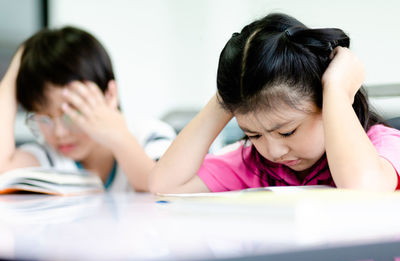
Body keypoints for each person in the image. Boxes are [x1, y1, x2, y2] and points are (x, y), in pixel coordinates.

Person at [149, 13, 400, 194]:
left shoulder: (383, 146)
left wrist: (336, 89)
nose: (274, 151)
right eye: (254, 135)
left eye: (287, 131)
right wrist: (227, 96)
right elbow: (165, 184)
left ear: (327, 105)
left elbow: (364, 190)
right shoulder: (255, 167)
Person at [0, 26, 176, 192]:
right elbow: (3, 169)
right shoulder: (51, 157)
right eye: (44, 119)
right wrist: (14, 72)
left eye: (71, 114)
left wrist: (118, 137)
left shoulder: (149, 134)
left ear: (109, 95)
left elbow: (161, 186)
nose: (60, 133)